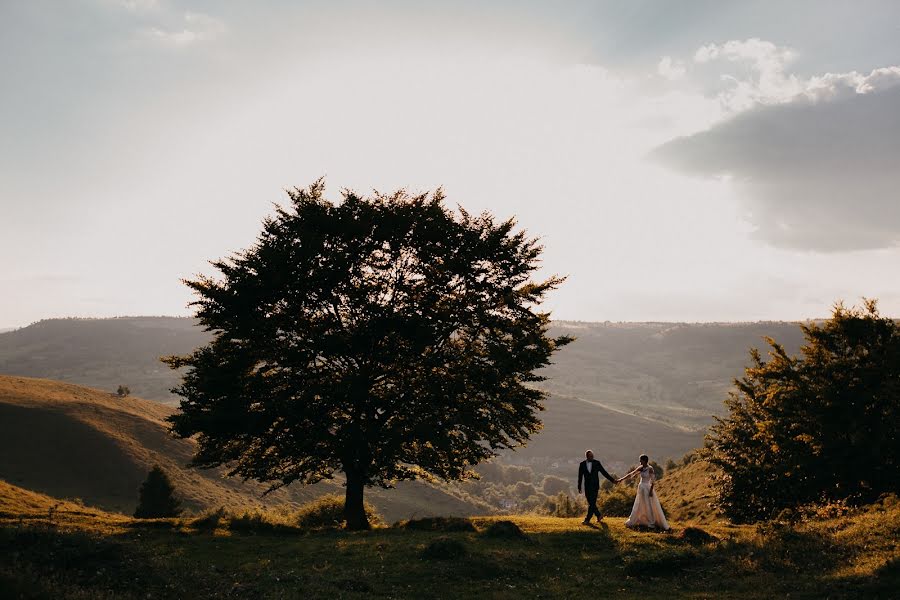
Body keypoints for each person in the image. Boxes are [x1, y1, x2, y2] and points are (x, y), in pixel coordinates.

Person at [617, 454, 670, 531]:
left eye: (640, 460)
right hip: (641, 487)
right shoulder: (641, 468)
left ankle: (651, 522)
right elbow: (631, 474)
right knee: (639, 503)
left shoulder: (650, 469)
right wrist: (621, 479)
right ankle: (636, 519)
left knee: (648, 505)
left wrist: (651, 491)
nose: (640, 462)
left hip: (647, 488)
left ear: (644, 460)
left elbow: (653, 481)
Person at [577, 449, 617, 524]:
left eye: (593, 456)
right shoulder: (582, 464)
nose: (592, 457)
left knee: (592, 503)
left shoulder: (597, 463)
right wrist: (579, 487)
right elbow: (580, 477)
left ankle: (587, 520)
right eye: (590, 456)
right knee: (591, 503)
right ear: (587, 457)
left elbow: (604, 472)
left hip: (595, 486)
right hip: (587, 487)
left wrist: (612, 480)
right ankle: (599, 515)